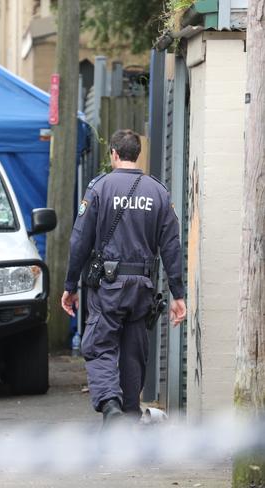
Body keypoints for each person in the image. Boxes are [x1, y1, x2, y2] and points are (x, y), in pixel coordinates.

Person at [61, 129, 187, 426]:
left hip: (108, 286)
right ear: (137, 154)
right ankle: (128, 416)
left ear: (114, 154)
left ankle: (110, 405)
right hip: (143, 286)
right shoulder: (158, 191)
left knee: (100, 344)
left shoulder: (99, 188)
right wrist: (177, 294)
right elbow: (171, 245)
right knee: (134, 350)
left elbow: (79, 240)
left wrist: (70, 286)